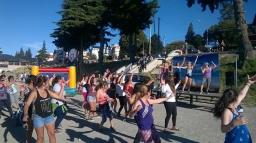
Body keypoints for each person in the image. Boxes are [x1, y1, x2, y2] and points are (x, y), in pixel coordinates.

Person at [23, 76, 68, 143]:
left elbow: (58, 97)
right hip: (38, 118)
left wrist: (63, 87)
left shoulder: (47, 91)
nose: (49, 83)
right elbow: (27, 104)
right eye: (48, 82)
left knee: (52, 135)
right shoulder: (34, 92)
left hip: (49, 117)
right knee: (40, 138)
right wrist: (25, 114)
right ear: (44, 83)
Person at [213, 74, 256, 143]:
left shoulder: (234, 105)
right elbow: (223, 129)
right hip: (234, 140)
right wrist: (233, 123)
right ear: (234, 99)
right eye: (236, 97)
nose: (238, 98)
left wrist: (248, 83)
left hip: (244, 137)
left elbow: (242, 94)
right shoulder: (227, 111)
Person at [22, 75, 37, 143]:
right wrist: (25, 115)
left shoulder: (34, 90)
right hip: (31, 113)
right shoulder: (28, 91)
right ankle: (28, 141)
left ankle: (28, 141)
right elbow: (25, 104)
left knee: (31, 130)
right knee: (30, 130)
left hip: (35, 113)